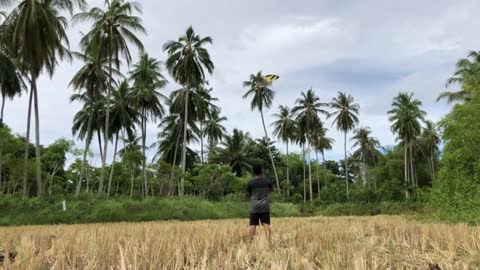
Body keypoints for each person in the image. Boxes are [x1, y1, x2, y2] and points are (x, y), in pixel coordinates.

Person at [247, 165, 273, 241]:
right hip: (264, 206)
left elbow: (248, 194)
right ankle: (268, 241)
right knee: (266, 223)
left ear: (254, 172)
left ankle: (250, 242)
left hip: (254, 206)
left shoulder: (251, 182)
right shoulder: (267, 181)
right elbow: (271, 189)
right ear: (261, 171)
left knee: (253, 224)